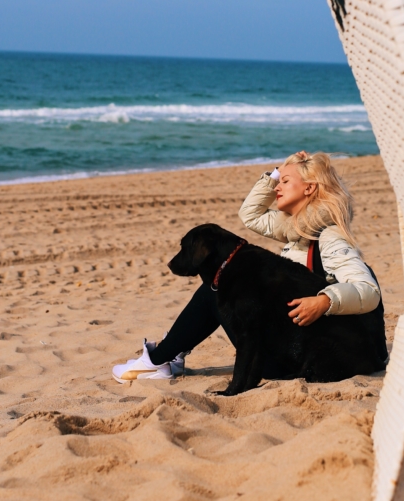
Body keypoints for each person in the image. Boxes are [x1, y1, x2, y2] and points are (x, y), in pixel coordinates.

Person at [112, 151, 383, 384]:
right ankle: (172, 350)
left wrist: (323, 301)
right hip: (300, 342)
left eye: (285, 182)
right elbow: (250, 215)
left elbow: (367, 291)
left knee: (216, 290)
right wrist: (277, 173)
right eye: (278, 181)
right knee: (228, 283)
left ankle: (160, 358)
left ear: (309, 188)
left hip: (313, 354)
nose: (277, 187)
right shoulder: (295, 230)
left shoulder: (329, 237)